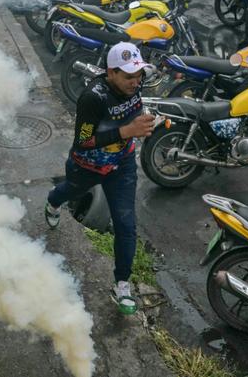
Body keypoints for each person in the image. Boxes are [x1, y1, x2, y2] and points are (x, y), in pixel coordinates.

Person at [44, 42, 155, 315]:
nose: (135, 82)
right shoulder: (93, 97)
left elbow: (135, 112)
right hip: (87, 166)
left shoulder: (137, 85)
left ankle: (122, 285)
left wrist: (146, 124)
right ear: (111, 73)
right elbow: (83, 141)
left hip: (123, 165)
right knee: (69, 191)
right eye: (128, 76)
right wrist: (127, 131)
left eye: (138, 75)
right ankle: (52, 202)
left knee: (126, 224)